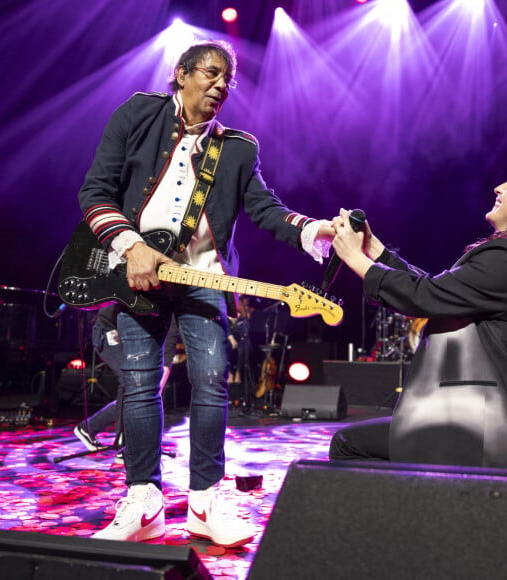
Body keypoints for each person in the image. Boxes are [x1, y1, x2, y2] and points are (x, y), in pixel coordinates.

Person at [78, 40, 334, 547]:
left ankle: (206, 500)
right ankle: (144, 502)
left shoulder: (238, 148)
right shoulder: (138, 114)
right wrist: (131, 247)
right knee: (138, 384)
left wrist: (315, 229)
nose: (220, 87)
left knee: (212, 382)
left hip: (202, 281)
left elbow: (265, 209)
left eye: (227, 81)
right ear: (181, 73)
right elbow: (95, 191)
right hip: (137, 277)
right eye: (211, 75)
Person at [328, 181, 507, 467]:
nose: (498, 187)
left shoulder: (502, 259)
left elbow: (425, 296)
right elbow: (440, 291)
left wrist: (353, 257)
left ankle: (412, 507)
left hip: (478, 419)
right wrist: (374, 249)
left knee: (347, 445)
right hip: (471, 412)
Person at [73, 305, 179, 465]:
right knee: (130, 380)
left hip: (132, 337)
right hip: (109, 331)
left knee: (139, 388)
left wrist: (154, 389)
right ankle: (124, 446)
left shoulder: (174, 312)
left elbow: (168, 348)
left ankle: (90, 428)